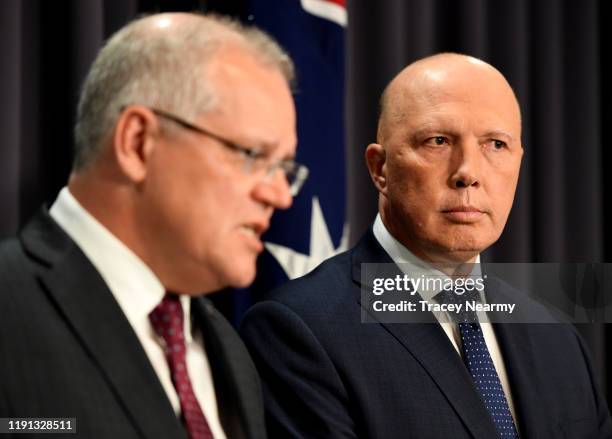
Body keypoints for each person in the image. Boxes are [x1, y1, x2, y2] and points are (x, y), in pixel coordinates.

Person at [240, 53, 612, 438]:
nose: (468, 172)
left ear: (519, 161)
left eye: (495, 145)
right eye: (438, 141)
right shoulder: (299, 330)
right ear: (379, 169)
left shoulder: (559, 339)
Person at [0, 12, 307, 439]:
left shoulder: (229, 350)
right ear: (138, 142)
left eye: (284, 167)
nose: (281, 196)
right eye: (254, 156)